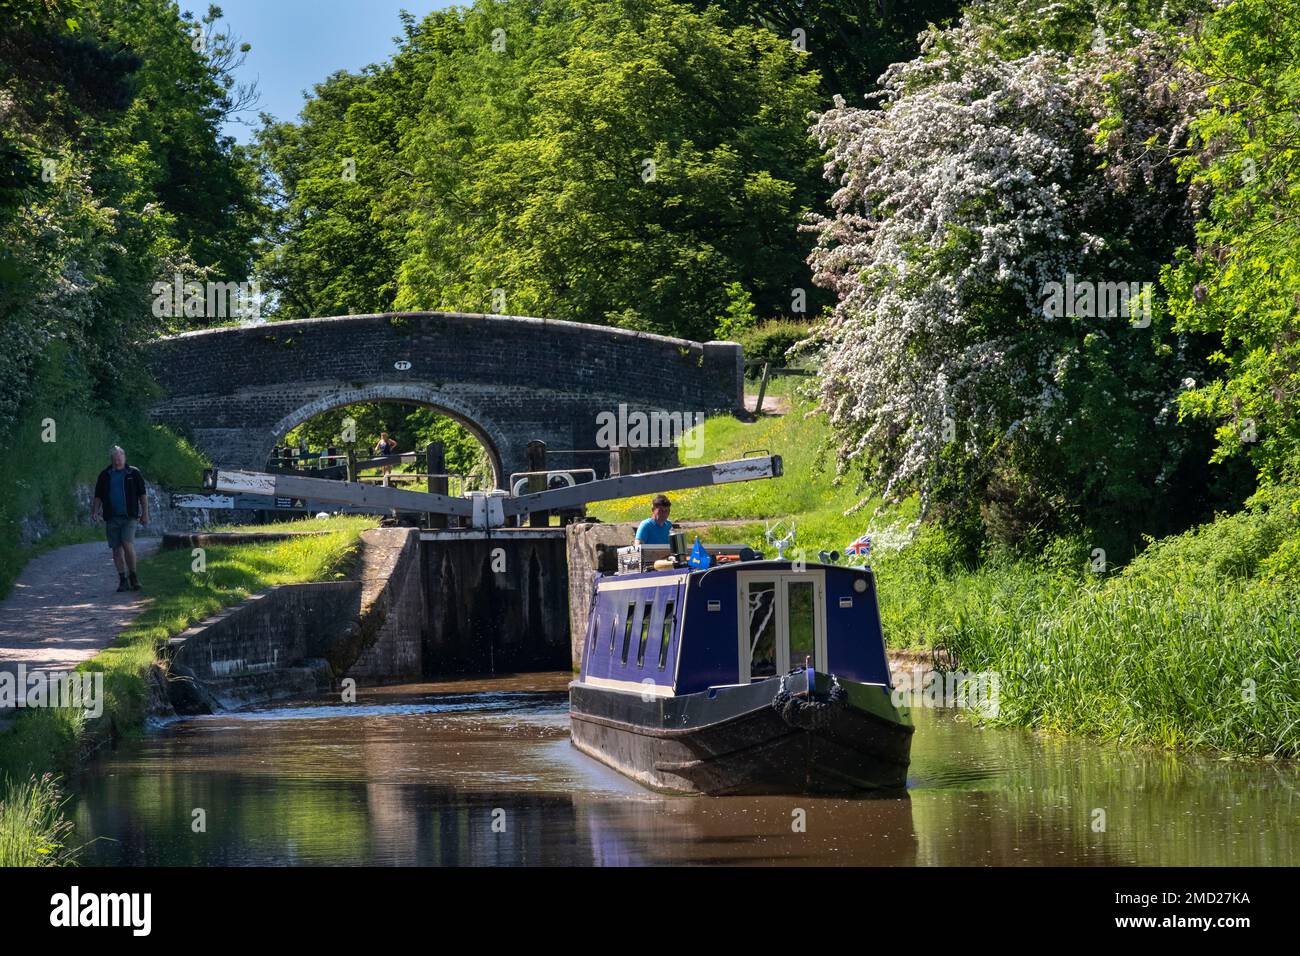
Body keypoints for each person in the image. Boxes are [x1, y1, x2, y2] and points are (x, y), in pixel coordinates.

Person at [91, 445, 149, 592]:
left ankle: (133, 576)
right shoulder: (105, 475)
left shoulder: (133, 473)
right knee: (116, 549)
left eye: (120, 458)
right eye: (115, 458)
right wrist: (95, 512)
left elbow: (142, 494)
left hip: (129, 516)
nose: (118, 461)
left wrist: (145, 513)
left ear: (124, 457)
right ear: (111, 459)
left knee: (127, 543)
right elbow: (98, 496)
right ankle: (123, 579)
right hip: (111, 517)